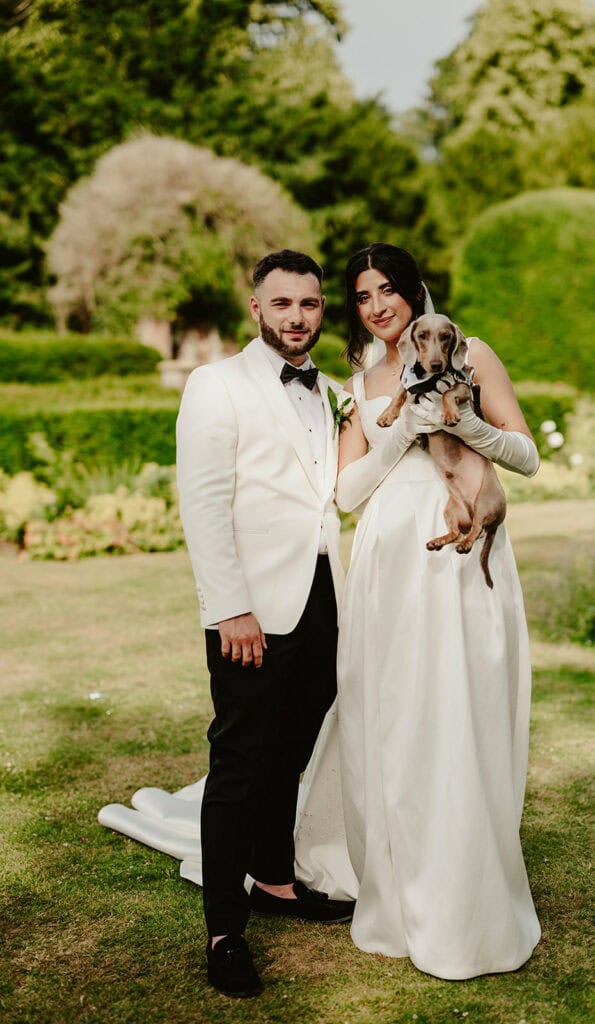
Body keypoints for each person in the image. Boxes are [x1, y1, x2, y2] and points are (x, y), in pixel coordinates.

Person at [325, 241, 542, 979]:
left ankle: (467, 895)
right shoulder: (360, 381)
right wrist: (402, 437)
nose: (377, 306)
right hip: (393, 555)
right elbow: (348, 494)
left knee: (463, 712)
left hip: (463, 552)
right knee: (397, 718)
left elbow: (527, 455)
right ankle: (399, 890)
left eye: (388, 289)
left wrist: (467, 428)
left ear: (415, 292)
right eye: (362, 296)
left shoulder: (470, 352)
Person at [175, 249, 355, 999]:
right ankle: (224, 933)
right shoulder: (216, 385)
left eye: (309, 305)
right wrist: (229, 608)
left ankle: (275, 883)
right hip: (251, 608)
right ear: (257, 309)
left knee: (292, 752)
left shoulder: (334, 390)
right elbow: (205, 502)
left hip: (325, 599)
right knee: (241, 763)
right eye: (282, 304)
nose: (297, 318)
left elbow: (334, 494)